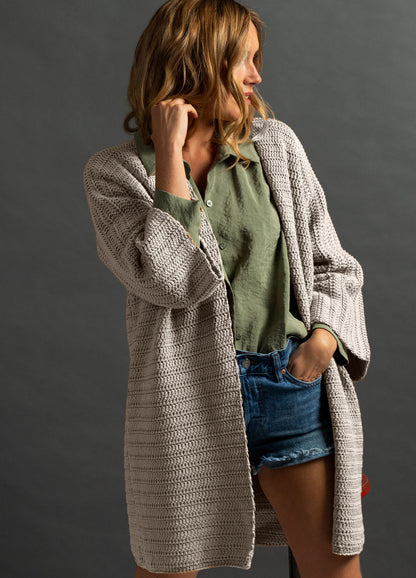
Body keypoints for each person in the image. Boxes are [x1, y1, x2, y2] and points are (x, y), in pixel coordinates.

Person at [83, 1, 371, 577]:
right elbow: (166, 279)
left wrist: (323, 340)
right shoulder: (115, 174)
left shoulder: (276, 148)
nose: (257, 76)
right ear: (197, 61)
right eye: (245, 60)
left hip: (289, 386)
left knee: (334, 569)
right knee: (168, 568)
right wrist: (170, 159)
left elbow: (332, 264)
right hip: (183, 401)